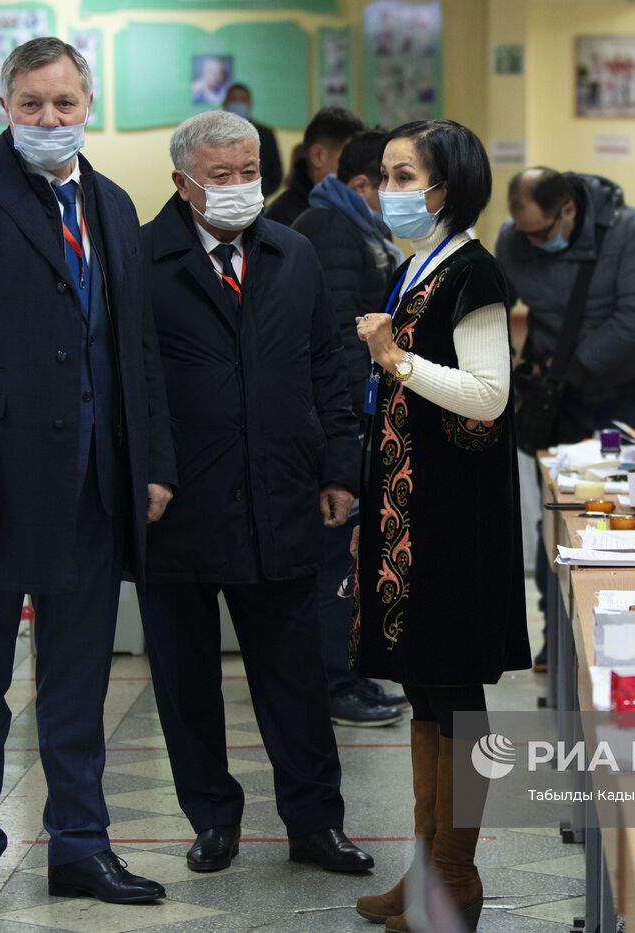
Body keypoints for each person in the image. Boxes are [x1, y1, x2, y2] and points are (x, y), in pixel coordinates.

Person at [0, 38, 174, 919]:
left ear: (86, 102)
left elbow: (137, 348)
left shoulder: (114, 204)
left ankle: (81, 847)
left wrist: (153, 464)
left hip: (92, 481)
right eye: (31, 105)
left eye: (64, 104)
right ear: (3, 106)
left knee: (78, 682)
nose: (50, 121)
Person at [137, 110, 373, 877]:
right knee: (185, 677)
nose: (240, 189)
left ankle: (315, 822)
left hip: (282, 497)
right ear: (182, 182)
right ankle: (211, 817)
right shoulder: (142, 259)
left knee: (296, 672)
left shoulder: (293, 253)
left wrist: (341, 468)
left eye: (249, 174)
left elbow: (327, 368)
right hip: (179, 506)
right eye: (221, 176)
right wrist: (145, 470)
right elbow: (130, 387)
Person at [350, 119, 531, 931]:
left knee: (454, 692)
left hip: (454, 519)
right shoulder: (417, 267)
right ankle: (428, 864)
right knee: (424, 687)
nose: (388, 191)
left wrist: (395, 358)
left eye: (401, 175)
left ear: (446, 186)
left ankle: (456, 874)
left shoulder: (474, 273)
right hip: (409, 515)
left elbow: (488, 394)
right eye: (383, 176)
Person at [292, 130, 407, 728]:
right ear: (362, 183)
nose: (398, 193)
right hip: (341, 425)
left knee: (353, 559)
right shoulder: (333, 231)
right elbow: (339, 341)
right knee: (335, 560)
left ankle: (352, 673)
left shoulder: (354, 229)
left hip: (355, 420)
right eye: (392, 181)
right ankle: (336, 683)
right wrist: (351, 430)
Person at [497, 167, 635, 440]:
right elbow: (497, 303)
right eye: (523, 232)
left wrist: (572, 366)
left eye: (540, 233)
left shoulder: (629, 231)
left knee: (629, 475)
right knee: (559, 477)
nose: (531, 242)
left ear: (569, 210)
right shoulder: (513, 239)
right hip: (558, 393)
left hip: (626, 387)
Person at [264, 107, 365, 227]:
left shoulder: (362, 208)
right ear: (318, 156)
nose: (359, 171)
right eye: (351, 159)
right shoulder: (280, 222)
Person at [221, 82, 283, 197]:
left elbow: (275, 175)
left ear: (250, 104)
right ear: (224, 103)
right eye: (234, 99)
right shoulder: (212, 135)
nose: (238, 103)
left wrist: (254, 193)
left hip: (255, 201)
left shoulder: (265, 134)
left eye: (243, 100)